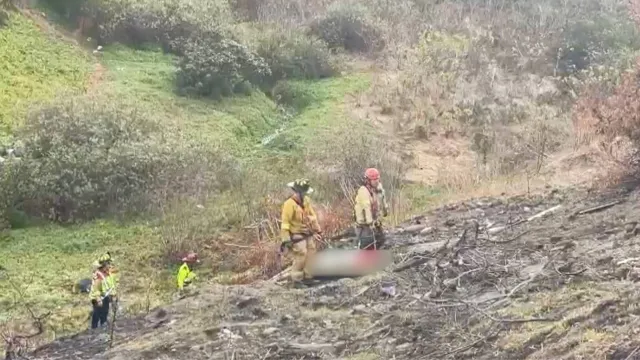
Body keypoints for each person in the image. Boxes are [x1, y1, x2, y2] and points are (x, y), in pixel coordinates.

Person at [280, 179, 323, 288]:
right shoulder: (289, 204)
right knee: (301, 255)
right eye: (303, 193)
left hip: (307, 233)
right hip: (296, 235)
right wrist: (286, 239)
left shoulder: (306, 201)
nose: (305, 195)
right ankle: (297, 280)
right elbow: (285, 223)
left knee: (311, 253)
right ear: (298, 192)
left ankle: (308, 277)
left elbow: (313, 217)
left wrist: (318, 231)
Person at [354, 168, 389, 250]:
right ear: (368, 180)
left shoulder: (379, 189)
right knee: (367, 247)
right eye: (374, 180)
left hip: (376, 223)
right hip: (364, 226)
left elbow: (383, 202)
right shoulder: (363, 191)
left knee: (381, 243)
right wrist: (370, 223)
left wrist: (385, 211)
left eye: (377, 179)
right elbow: (367, 208)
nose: (376, 181)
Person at [89, 258, 117, 330]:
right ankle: (94, 329)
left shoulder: (108, 274)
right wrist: (98, 299)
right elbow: (96, 288)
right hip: (98, 298)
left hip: (105, 296)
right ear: (103, 266)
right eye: (108, 264)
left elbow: (112, 285)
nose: (110, 266)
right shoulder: (98, 275)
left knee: (104, 313)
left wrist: (113, 296)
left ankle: (103, 327)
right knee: (97, 314)